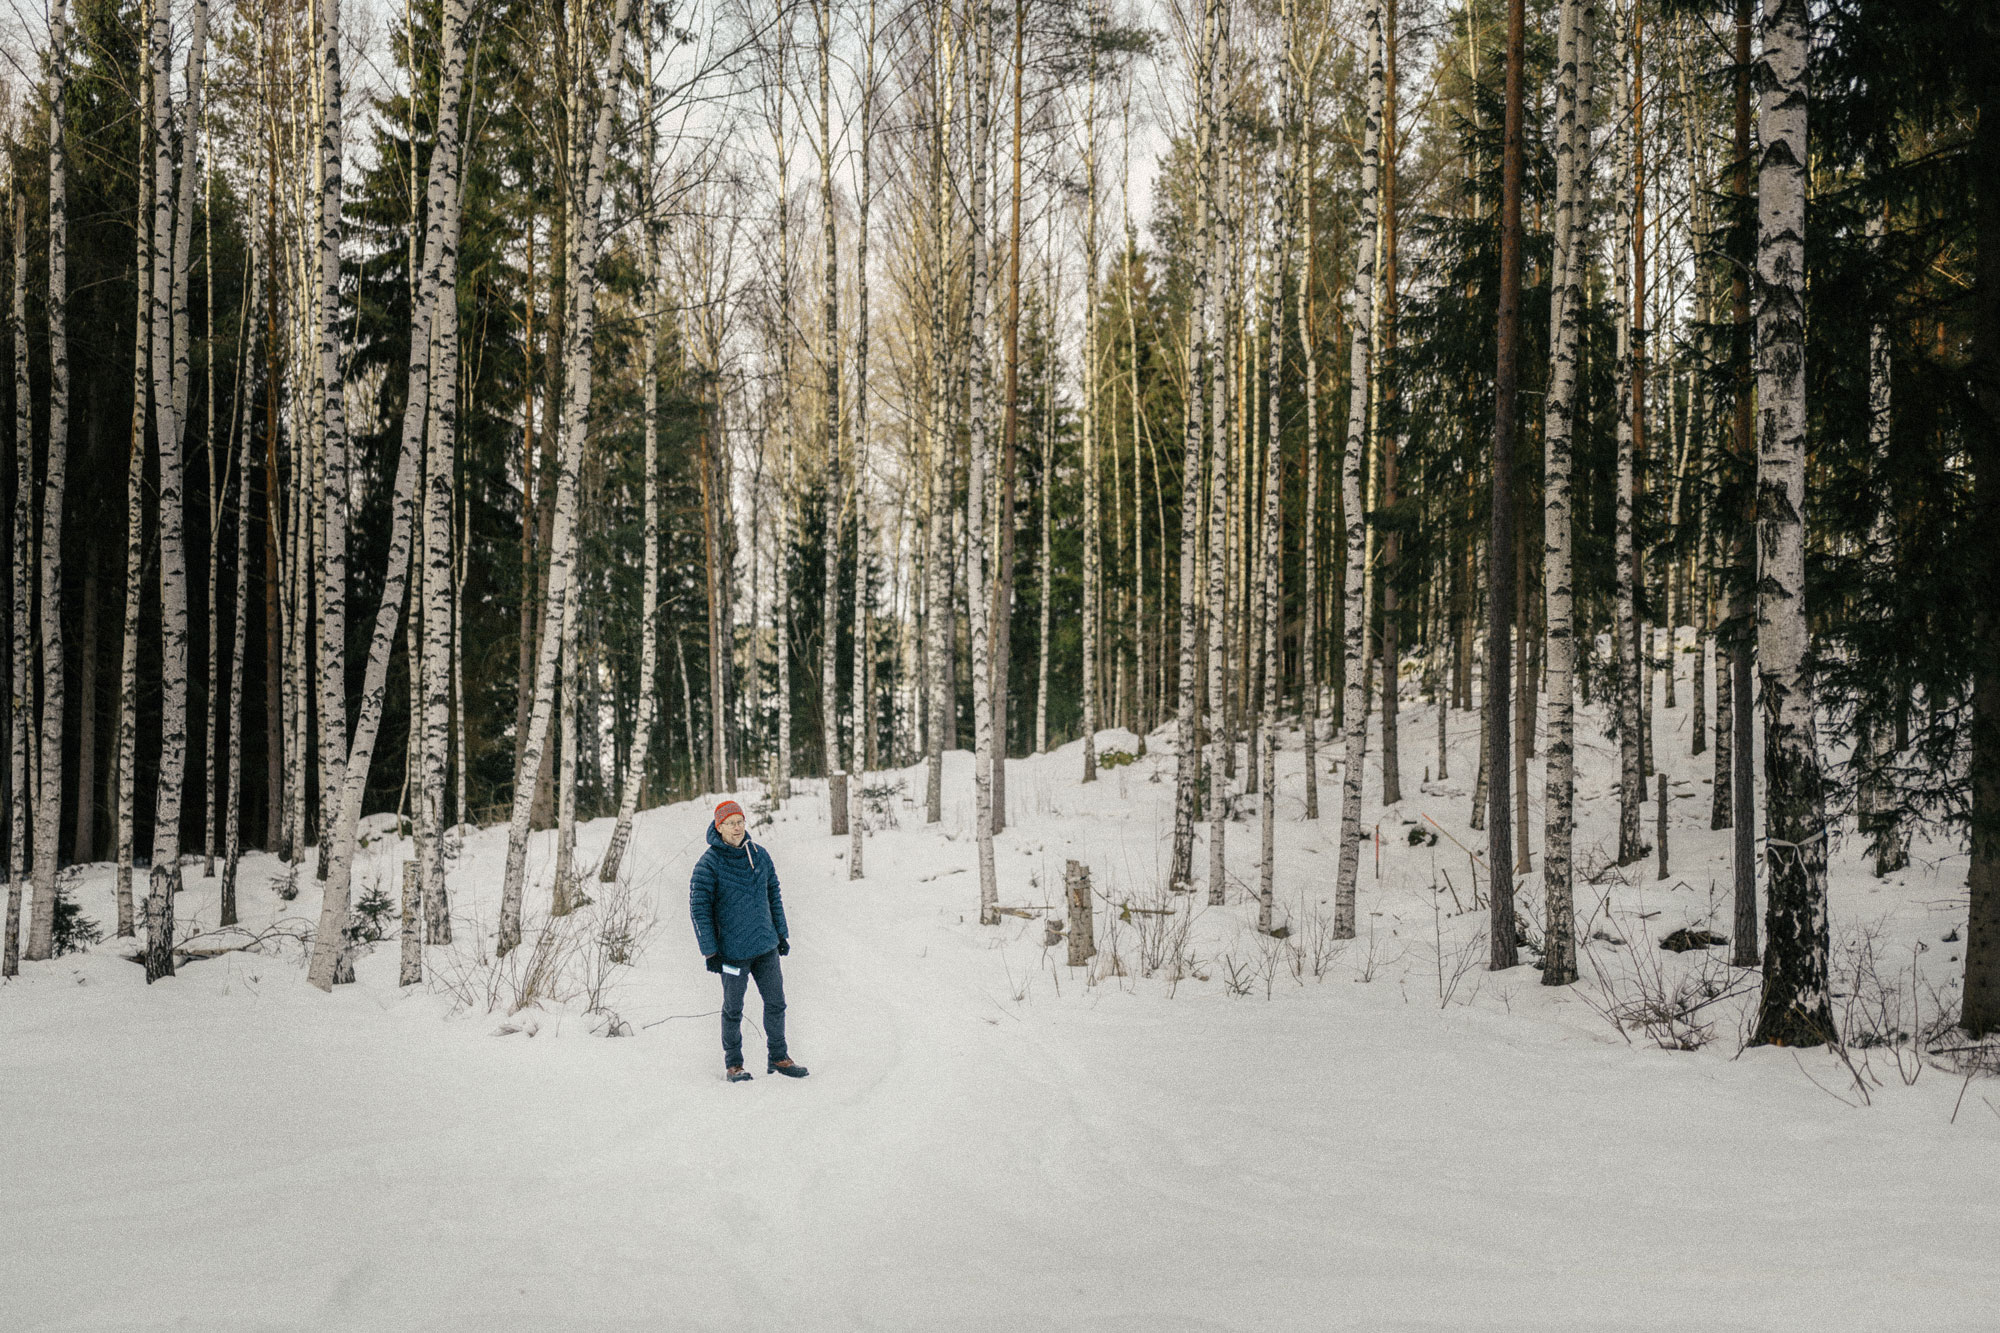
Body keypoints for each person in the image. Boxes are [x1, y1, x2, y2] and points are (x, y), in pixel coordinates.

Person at [689, 799, 809, 1082]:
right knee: (733, 1009)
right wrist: (710, 952)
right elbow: (699, 909)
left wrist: (781, 935)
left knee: (776, 1003)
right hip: (731, 955)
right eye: (730, 823)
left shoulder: (760, 854)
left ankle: (778, 1057)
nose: (737, 828)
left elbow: (773, 895)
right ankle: (734, 1065)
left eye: (740, 821)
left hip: (766, 948)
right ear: (718, 827)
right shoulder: (707, 865)